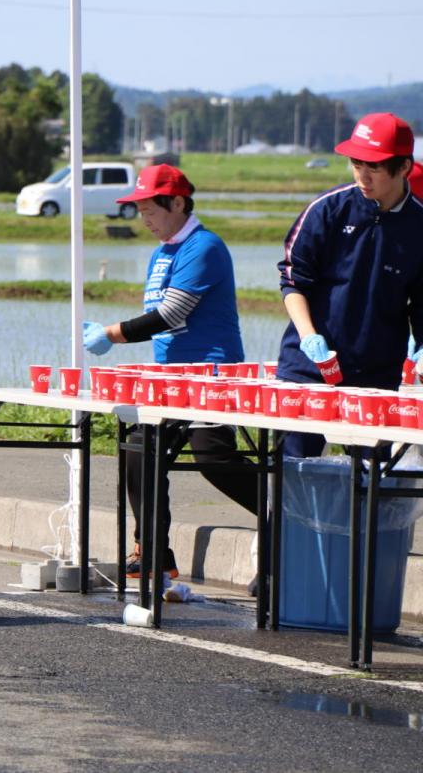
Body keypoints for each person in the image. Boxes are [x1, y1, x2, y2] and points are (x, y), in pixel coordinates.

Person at [82, 164, 260, 579]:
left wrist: (111, 334)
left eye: (150, 210)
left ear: (178, 203)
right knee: (140, 449)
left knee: (213, 456)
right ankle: (152, 551)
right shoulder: (161, 253)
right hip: (171, 377)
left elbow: (170, 313)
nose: (144, 219)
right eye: (140, 211)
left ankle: (286, 513)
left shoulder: (204, 247)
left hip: (211, 373)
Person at [276, 112, 423, 458]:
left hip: (376, 372)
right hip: (309, 366)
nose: (362, 175)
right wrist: (309, 336)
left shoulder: (419, 225)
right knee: (292, 469)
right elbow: (293, 280)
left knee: (370, 480)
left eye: (374, 166)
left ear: (403, 167)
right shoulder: (328, 210)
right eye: (356, 164)